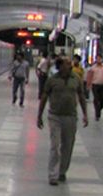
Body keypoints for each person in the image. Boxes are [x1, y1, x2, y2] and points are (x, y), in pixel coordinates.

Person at [37, 58, 88, 186]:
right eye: (67, 64)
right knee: (55, 145)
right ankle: (53, 175)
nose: (70, 66)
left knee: (68, 145)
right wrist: (39, 115)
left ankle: (62, 171)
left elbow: (81, 96)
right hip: (55, 116)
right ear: (60, 67)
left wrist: (85, 114)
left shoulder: (76, 79)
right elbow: (44, 97)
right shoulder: (52, 80)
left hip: (70, 117)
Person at [86, 54, 103, 121]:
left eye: (100, 58)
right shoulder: (93, 68)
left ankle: (99, 108)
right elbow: (89, 77)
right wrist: (88, 85)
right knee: (96, 99)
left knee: (102, 99)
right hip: (95, 85)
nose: (98, 60)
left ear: (102, 59)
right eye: (97, 58)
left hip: (102, 85)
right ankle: (97, 114)